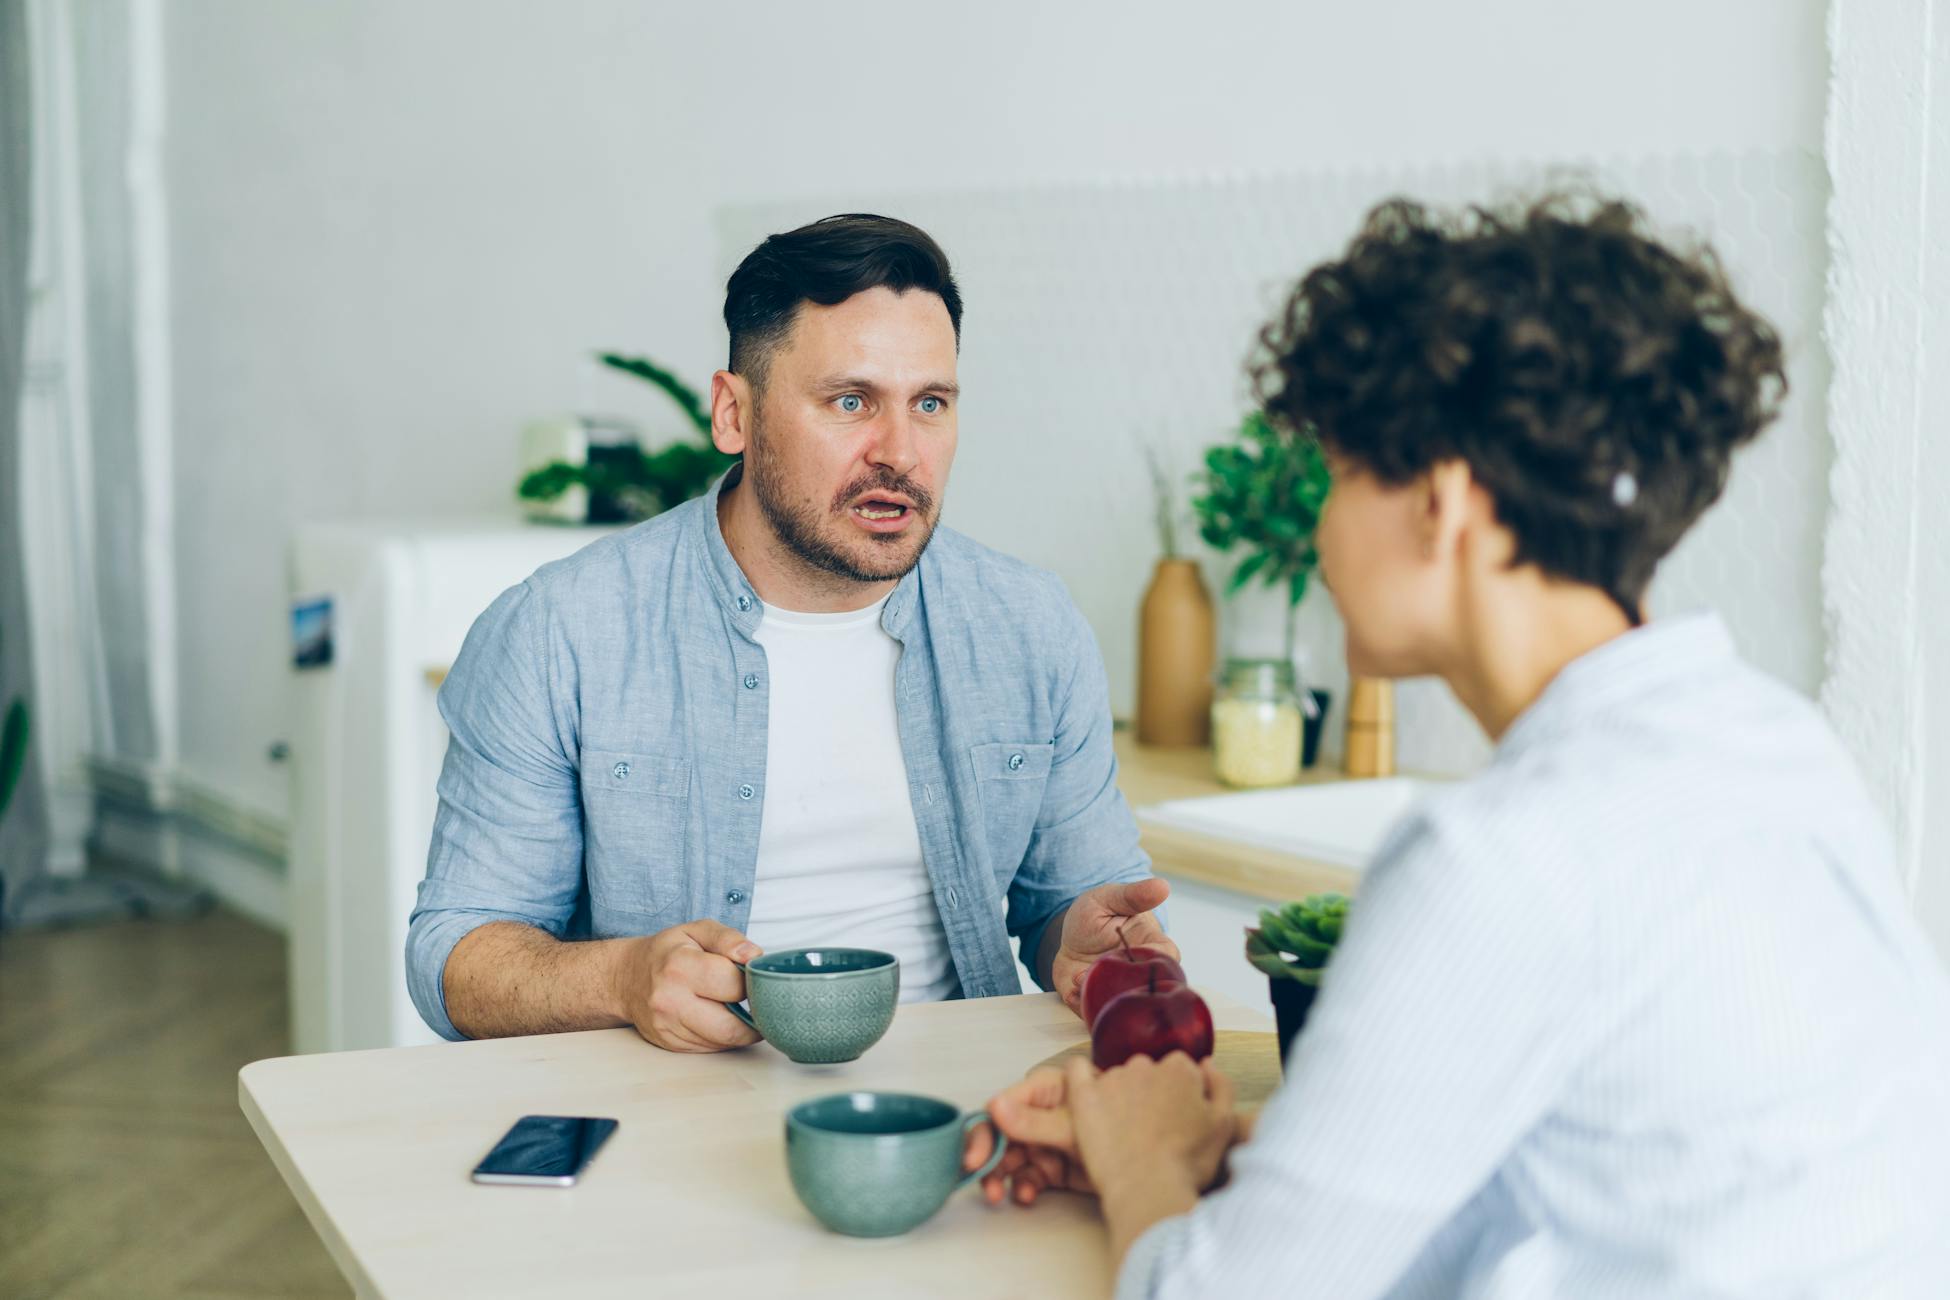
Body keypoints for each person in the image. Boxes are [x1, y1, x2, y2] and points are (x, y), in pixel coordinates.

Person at [966, 194, 1950, 1297]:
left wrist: (1144, 1159)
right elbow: (1591, 1178)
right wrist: (1232, 1162)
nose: (1322, 529)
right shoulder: (1774, 745)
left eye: (1338, 474)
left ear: (1440, 504)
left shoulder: (1503, 856)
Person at [406, 213, 1174, 1051]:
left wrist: (1088, 948)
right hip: (670, 1107)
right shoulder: (561, 632)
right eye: (851, 402)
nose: (901, 453)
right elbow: (455, 957)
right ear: (735, 415)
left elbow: (1074, 902)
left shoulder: (1031, 627)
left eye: (930, 404)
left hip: (958, 1103)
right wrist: (622, 980)